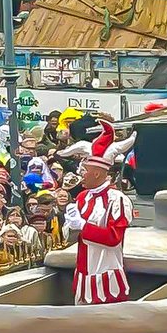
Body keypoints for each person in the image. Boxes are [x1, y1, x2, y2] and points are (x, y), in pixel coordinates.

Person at [59, 120, 135, 305]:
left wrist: (83, 226)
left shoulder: (118, 200)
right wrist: (69, 226)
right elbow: (72, 239)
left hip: (107, 276)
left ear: (97, 174)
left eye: (85, 169)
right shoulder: (82, 197)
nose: (80, 172)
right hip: (83, 276)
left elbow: (113, 237)